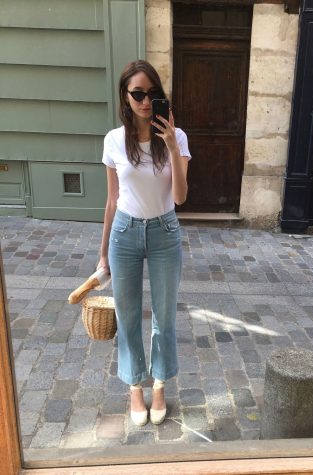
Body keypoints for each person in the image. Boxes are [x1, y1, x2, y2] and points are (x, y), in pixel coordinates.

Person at [97, 60, 191, 426]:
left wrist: (170, 146)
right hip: (124, 232)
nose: (146, 101)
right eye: (138, 93)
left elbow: (181, 197)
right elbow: (111, 199)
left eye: (153, 94)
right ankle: (135, 387)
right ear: (125, 96)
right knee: (128, 315)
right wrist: (102, 252)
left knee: (164, 317)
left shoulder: (177, 137)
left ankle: (160, 385)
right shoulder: (113, 140)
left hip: (165, 231)